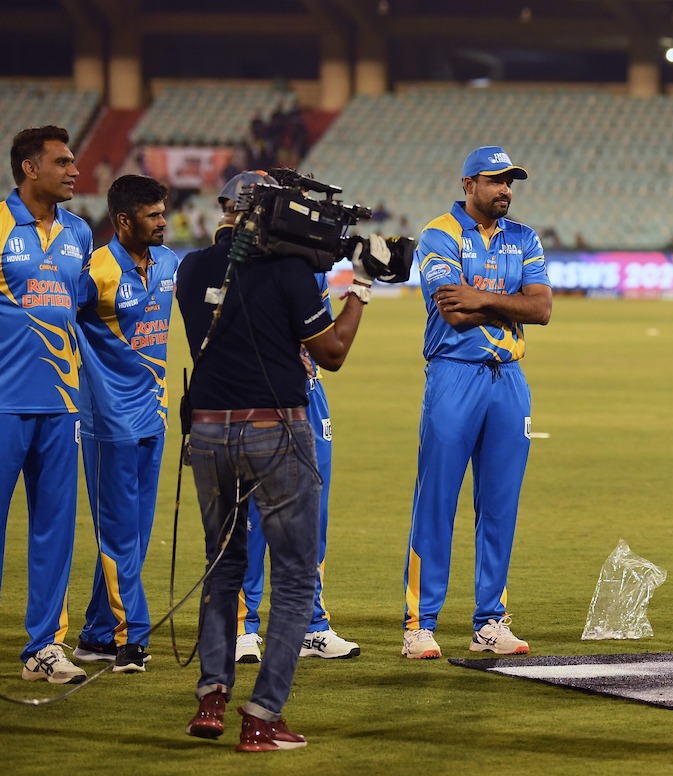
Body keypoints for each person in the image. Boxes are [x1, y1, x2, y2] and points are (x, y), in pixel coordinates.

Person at [176, 169, 391, 751]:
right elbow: (333, 352)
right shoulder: (289, 272)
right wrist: (362, 284)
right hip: (277, 432)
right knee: (294, 577)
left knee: (222, 570)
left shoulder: (190, 268)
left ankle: (212, 698)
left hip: (210, 436)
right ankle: (262, 716)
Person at [402, 146, 552, 660]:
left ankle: (490, 621)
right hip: (454, 375)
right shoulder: (439, 233)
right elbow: (453, 312)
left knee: (500, 506)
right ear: (469, 184)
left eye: (510, 181)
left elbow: (543, 308)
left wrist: (481, 298)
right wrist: (510, 306)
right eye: (495, 181)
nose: (505, 189)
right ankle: (420, 624)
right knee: (436, 500)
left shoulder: (524, 236)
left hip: (509, 379)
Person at [73, 174, 178, 674]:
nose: (164, 222)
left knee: (133, 534)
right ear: (123, 221)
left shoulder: (170, 264)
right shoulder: (91, 272)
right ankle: (129, 637)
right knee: (118, 532)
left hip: (152, 418)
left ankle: (94, 635)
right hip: (106, 423)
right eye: (153, 215)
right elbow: (47, 323)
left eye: (163, 212)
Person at [3, 126, 92, 684]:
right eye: (62, 162)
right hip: (4, 401)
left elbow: (79, 311)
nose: (74, 171)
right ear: (30, 169)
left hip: (62, 404)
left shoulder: (79, 233)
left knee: (55, 529)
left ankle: (44, 648)